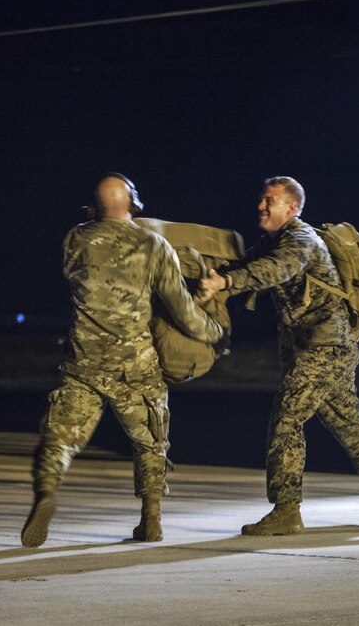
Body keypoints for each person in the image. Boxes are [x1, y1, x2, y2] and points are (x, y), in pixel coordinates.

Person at [198, 176, 359, 535]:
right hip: (325, 346)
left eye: (270, 200)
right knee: (347, 423)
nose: (261, 206)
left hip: (325, 347)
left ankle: (286, 509)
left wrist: (226, 284)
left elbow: (275, 270)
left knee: (287, 419)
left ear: (292, 207)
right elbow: (244, 265)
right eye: (262, 199)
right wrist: (214, 275)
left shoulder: (300, 239)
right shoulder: (276, 240)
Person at [21, 175, 224, 548]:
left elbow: (76, 270)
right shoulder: (153, 244)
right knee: (150, 441)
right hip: (135, 364)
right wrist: (212, 331)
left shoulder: (75, 239)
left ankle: (47, 491)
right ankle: (151, 518)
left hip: (83, 362)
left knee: (60, 436)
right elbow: (180, 308)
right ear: (134, 203)